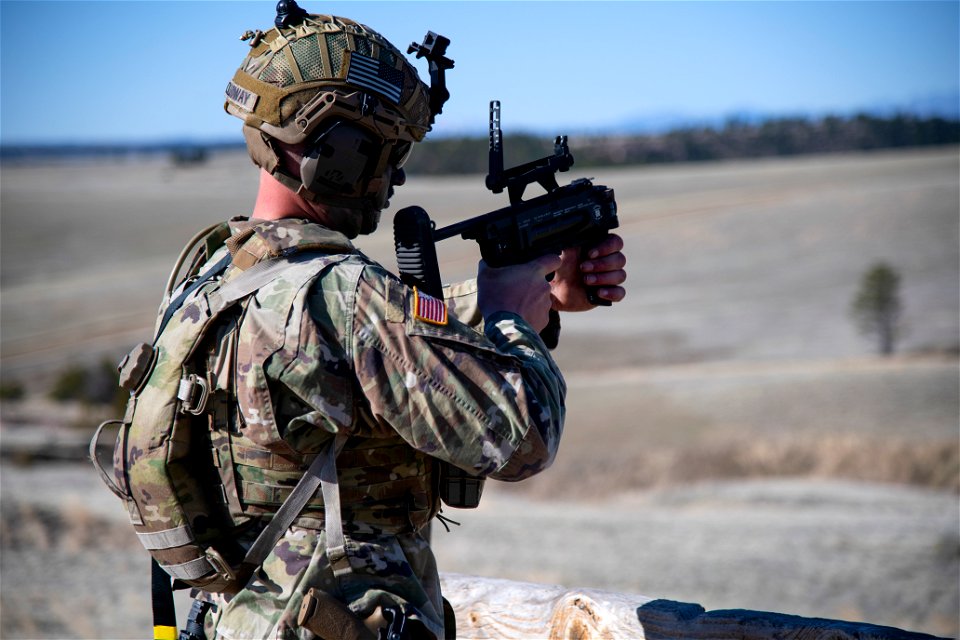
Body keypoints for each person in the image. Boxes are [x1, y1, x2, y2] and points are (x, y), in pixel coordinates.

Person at [188, 4, 627, 639]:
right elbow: (522, 435)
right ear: (337, 150)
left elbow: (376, 343)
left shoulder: (210, 276)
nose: (394, 176)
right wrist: (511, 321)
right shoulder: (346, 295)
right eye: (387, 150)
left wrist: (529, 296)